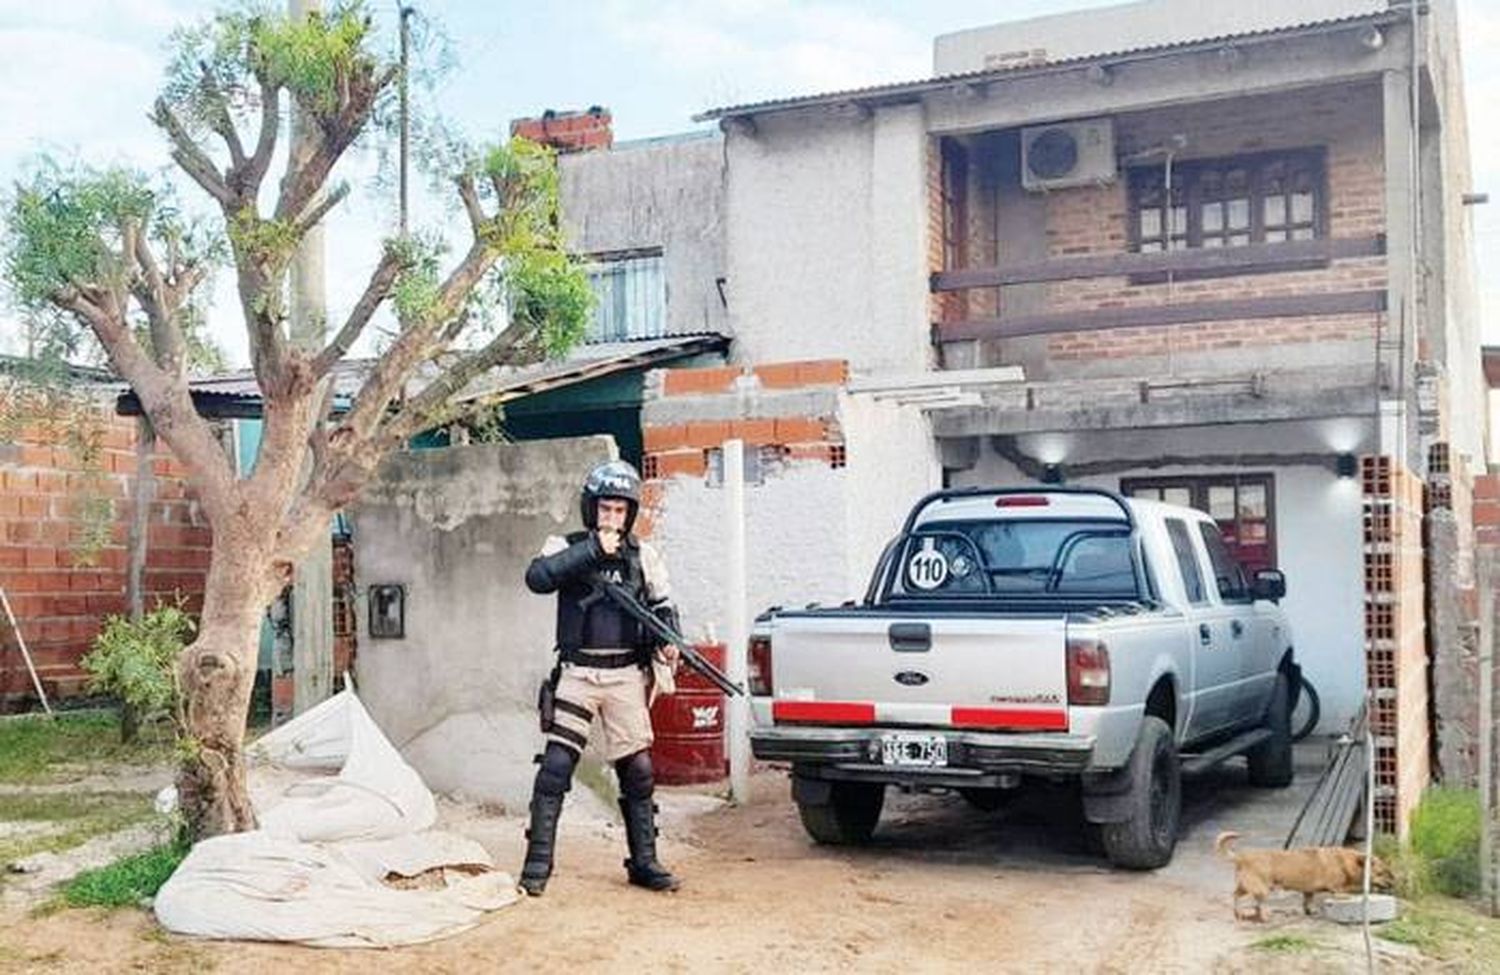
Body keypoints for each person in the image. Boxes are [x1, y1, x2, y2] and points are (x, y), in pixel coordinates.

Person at [517, 459, 682, 896]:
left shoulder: (643, 556)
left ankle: (644, 862)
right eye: (605, 510)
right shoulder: (566, 546)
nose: (612, 520)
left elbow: (663, 606)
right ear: (593, 510)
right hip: (578, 673)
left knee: (639, 770)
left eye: (620, 512)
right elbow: (537, 578)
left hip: (626, 674)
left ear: (630, 514)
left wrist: (670, 641)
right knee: (556, 766)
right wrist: (592, 550)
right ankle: (537, 865)